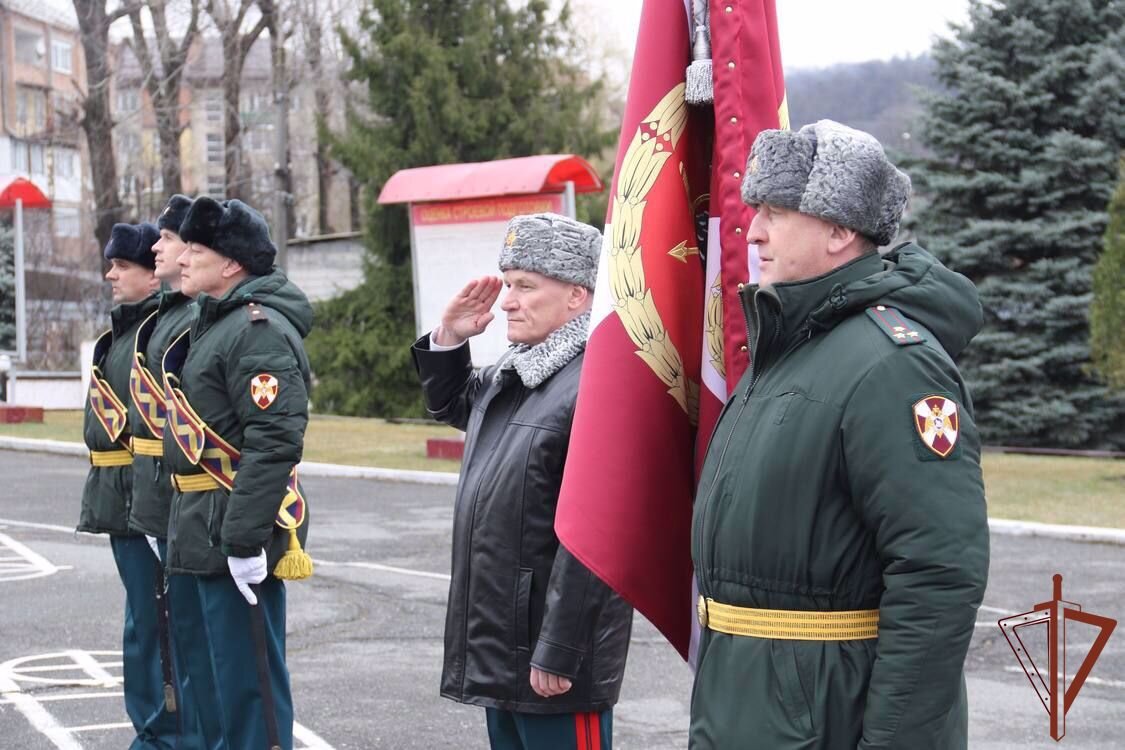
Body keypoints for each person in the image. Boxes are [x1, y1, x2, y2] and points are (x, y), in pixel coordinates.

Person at [689, 120, 990, 749]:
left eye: (776, 212)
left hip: (823, 720)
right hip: (748, 707)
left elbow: (937, 574)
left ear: (839, 229)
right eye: (756, 210)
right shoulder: (789, 348)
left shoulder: (893, 363)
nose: (756, 229)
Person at [412, 213, 633, 750]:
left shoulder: (597, 383)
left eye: (525, 286)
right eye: (507, 283)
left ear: (578, 296)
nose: (507, 301)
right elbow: (454, 402)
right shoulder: (524, 369)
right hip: (506, 651)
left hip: (552, 657)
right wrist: (448, 337)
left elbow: (600, 536)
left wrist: (562, 646)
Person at [163, 196, 314, 750]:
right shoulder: (217, 323)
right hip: (201, 526)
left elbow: (273, 441)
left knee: (248, 693)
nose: (182, 259)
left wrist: (246, 540)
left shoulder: (257, 330)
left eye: (195, 250)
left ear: (230, 264)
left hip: (232, 529)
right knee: (210, 688)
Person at [127, 194, 228, 749]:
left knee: (206, 655)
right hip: (164, 496)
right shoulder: (167, 317)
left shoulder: (197, 318)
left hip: (200, 502)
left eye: (166, 240)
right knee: (167, 639)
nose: (158, 248)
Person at [78, 222, 172, 747]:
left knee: (158, 627)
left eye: (123, 265)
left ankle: (164, 735)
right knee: (142, 625)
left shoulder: (157, 333)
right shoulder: (124, 333)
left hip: (146, 498)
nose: (110, 273)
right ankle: (151, 730)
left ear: (152, 276)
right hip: (121, 497)